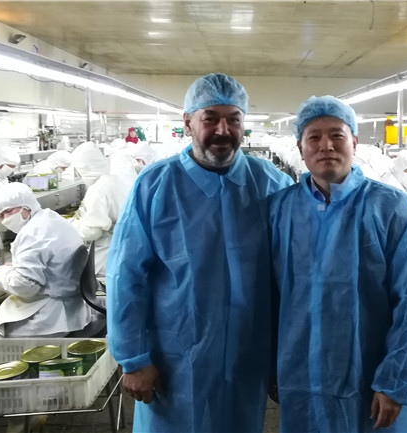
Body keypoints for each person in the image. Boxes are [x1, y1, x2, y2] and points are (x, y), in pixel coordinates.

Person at [105, 73, 293, 432]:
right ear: (188, 122)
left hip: (248, 353)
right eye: (210, 118)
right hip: (176, 357)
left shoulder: (271, 183)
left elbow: (296, 270)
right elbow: (125, 276)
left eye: (233, 119)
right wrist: (134, 359)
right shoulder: (155, 185)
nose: (223, 130)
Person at [269, 96, 407, 432]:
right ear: (300, 147)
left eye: (337, 135)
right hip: (301, 376)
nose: (326, 145)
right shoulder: (279, 209)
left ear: (354, 142)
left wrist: (395, 380)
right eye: (314, 137)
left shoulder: (391, 207)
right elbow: (268, 296)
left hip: (371, 379)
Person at [0, 183, 90, 337]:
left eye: (9, 211)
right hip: (73, 307)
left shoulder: (32, 233)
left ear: (26, 205)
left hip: (50, 318)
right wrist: (15, 267)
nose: (6, 218)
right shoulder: (50, 218)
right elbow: (48, 260)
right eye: (1, 216)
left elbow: (25, 285)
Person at [69, 142, 132, 277]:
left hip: (108, 254)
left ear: (84, 169)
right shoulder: (114, 180)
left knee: (97, 289)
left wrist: (72, 225)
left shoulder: (97, 190)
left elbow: (92, 232)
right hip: (125, 248)